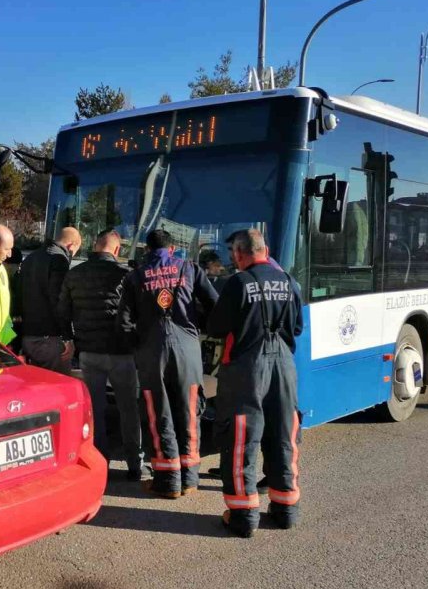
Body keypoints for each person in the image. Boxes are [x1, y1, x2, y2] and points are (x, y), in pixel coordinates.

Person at [206, 229, 303, 537]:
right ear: (267, 249)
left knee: (241, 439)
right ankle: (285, 508)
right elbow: (297, 328)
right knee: (283, 434)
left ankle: (243, 515)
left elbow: (217, 326)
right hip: (284, 366)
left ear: (238, 254)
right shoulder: (289, 281)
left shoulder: (238, 284)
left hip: (247, 367)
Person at [118, 229, 218, 498]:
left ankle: (168, 482)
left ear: (147, 250)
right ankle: (190, 479)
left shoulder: (135, 276)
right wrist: (201, 330)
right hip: (188, 349)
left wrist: (138, 347)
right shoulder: (189, 267)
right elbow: (214, 305)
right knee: (189, 411)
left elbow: (123, 321)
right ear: (172, 249)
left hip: (152, 351)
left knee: (157, 413)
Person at [58, 230, 142, 480]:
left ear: (95, 246)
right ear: (117, 251)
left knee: (95, 408)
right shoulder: (126, 276)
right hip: (122, 353)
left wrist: (70, 340)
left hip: (89, 352)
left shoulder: (75, 273)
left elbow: (63, 312)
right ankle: (135, 465)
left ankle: (99, 459)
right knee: (129, 408)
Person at [16, 227, 82, 374]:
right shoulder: (59, 260)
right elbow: (59, 301)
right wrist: (67, 337)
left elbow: (18, 295)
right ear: (71, 246)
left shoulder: (30, 258)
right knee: (58, 389)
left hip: (28, 337)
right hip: (51, 339)